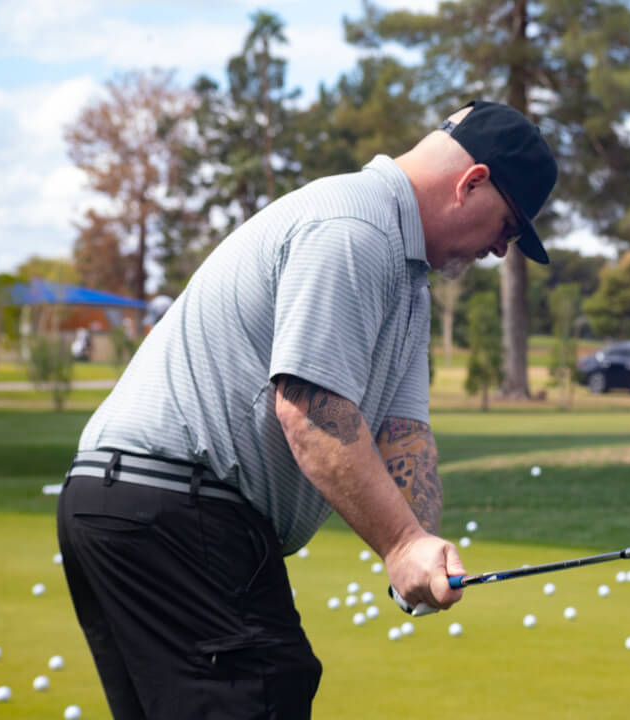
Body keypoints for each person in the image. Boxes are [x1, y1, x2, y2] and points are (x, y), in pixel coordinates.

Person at [56, 99, 558, 719]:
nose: (500, 250)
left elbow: (402, 433)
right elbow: (311, 408)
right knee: (267, 692)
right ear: (472, 183)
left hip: (136, 507)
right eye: (507, 227)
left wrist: (420, 549)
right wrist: (399, 543)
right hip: (175, 508)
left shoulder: (404, 278)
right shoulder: (354, 228)